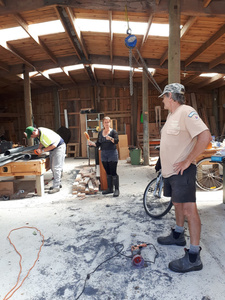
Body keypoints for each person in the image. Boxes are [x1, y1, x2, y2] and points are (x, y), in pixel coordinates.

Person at [157, 83, 211, 273]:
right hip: (171, 173)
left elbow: (205, 136)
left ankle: (194, 257)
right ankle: (178, 235)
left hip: (182, 172)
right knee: (177, 204)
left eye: (164, 97)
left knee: (189, 210)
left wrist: (189, 160)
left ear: (170, 96)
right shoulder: (172, 116)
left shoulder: (186, 111)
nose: (163, 100)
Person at [24, 126, 66, 194]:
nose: (32, 137)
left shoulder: (45, 135)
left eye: (31, 136)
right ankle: (57, 183)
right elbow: (42, 142)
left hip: (58, 147)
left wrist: (42, 150)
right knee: (52, 167)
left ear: (34, 132)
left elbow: (54, 146)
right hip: (53, 148)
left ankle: (56, 186)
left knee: (56, 167)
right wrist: (39, 149)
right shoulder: (39, 133)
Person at [88, 116, 119, 197]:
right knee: (107, 172)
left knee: (113, 172)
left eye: (108, 122)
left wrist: (111, 139)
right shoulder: (100, 133)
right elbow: (98, 144)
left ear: (110, 123)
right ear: (103, 124)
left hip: (112, 153)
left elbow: (116, 141)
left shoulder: (113, 132)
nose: (107, 124)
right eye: (105, 122)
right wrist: (92, 143)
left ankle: (116, 189)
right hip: (104, 154)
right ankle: (109, 189)